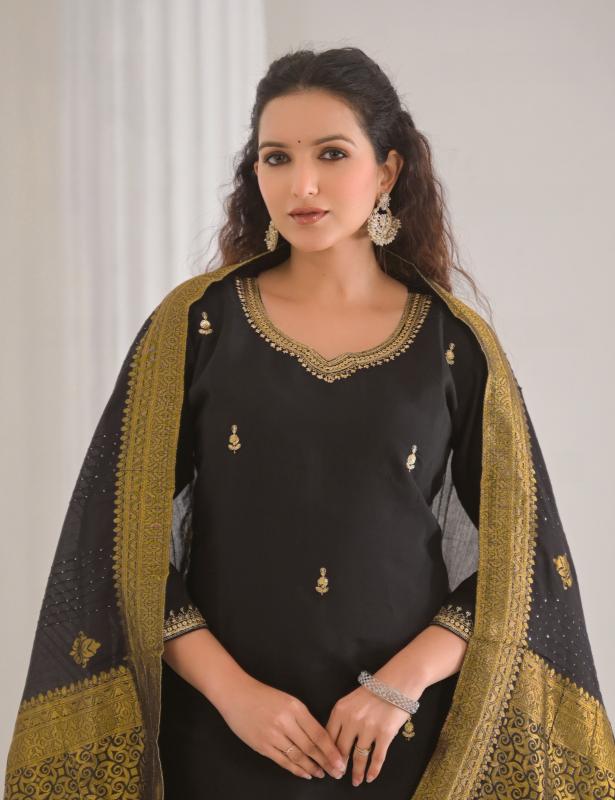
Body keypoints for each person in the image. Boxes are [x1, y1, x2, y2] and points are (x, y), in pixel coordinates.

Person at [4, 47, 614, 800]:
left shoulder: (454, 344)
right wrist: (235, 694)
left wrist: (397, 687)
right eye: (276, 158)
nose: (302, 184)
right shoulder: (195, 327)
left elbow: (519, 564)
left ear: (387, 171)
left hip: (396, 745)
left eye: (331, 153)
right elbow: (119, 543)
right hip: (221, 738)